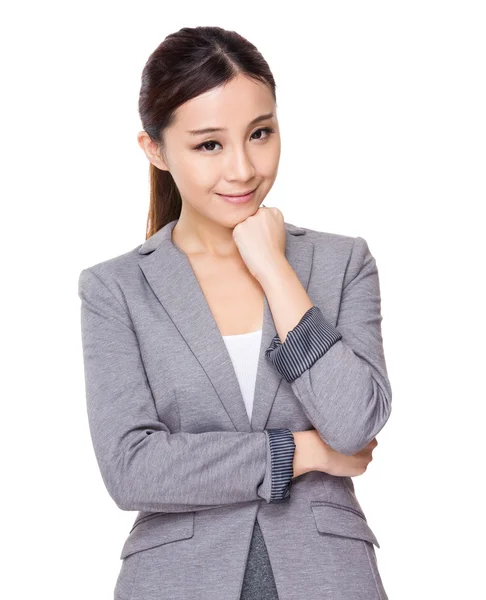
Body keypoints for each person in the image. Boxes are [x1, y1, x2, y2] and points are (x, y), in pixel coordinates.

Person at [78, 25, 392, 600]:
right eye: (209, 144)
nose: (244, 169)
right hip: (176, 581)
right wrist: (300, 452)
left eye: (261, 133)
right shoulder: (115, 288)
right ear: (155, 150)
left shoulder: (343, 261)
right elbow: (133, 469)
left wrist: (275, 270)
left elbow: (354, 424)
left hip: (327, 577)